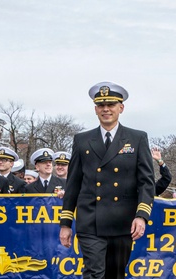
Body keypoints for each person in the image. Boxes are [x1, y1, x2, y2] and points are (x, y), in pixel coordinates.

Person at [59, 81, 155, 279]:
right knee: (94, 273)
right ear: (95, 109)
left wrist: (141, 215)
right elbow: (74, 183)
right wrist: (65, 223)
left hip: (123, 221)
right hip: (90, 220)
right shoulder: (82, 140)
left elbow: (146, 181)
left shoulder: (137, 138)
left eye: (111, 105)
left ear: (121, 108)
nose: (106, 109)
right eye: (101, 106)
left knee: (116, 274)